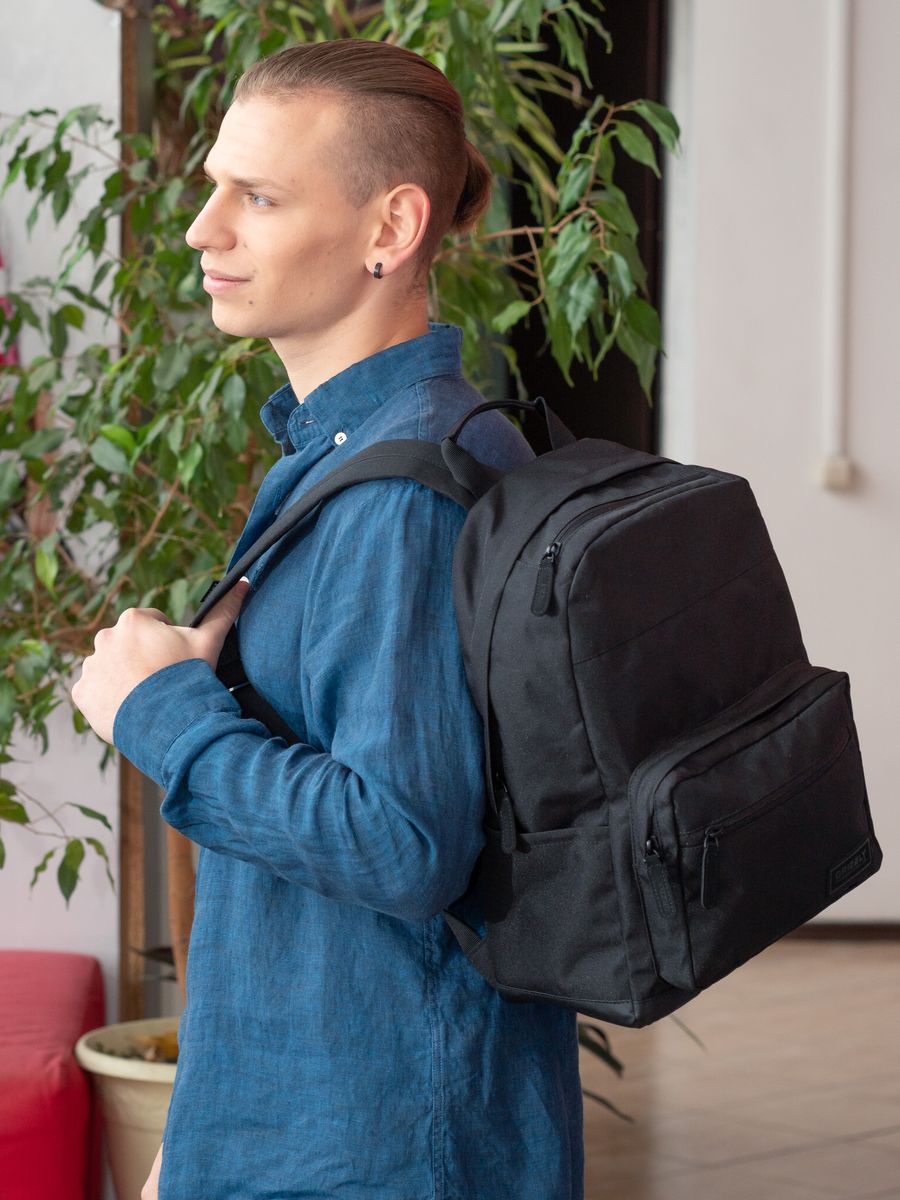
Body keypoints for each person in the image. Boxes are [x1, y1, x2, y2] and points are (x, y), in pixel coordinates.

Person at [72, 38, 584, 1200]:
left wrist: (159, 713)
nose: (202, 229)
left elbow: (400, 843)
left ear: (390, 228)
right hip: (317, 1109)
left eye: (257, 197)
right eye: (215, 187)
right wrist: (202, 1129)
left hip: (379, 1142)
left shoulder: (404, 500)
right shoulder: (361, 449)